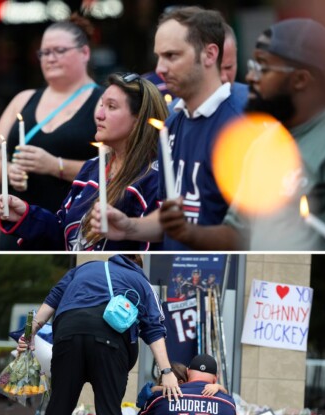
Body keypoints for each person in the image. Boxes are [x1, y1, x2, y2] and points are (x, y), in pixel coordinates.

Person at [157, 18, 325, 250]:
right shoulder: (265, 142)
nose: (250, 77)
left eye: (263, 68)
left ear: (300, 80)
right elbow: (236, 233)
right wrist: (187, 232)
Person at [18, 255, 182, 415]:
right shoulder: (139, 280)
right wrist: (167, 371)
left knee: (59, 406)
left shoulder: (81, 270)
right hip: (110, 342)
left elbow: (50, 303)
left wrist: (28, 334)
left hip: (68, 335)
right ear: (138, 265)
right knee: (109, 411)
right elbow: (154, 327)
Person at [89, 7, 245, 250]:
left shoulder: (243, 127)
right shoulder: (171, 125)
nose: (160, 68)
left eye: (172, 56)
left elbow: (248, 236)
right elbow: (167, 218)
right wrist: (130, 226)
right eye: (159, 56)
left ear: (210, 54)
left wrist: (188, 234)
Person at [0, 72, 167, 250]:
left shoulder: (154, 180)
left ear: (138, 120)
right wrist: (27, 216)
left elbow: (150, 252)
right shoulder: (91, 167)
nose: (99, 115)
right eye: (101, 105)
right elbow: (63, 235)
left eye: (111, 107)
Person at [0, 14, 104, 250]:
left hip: (74, 229)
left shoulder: (103, 101)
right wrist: (9, 171)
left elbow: (115, 168)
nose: (50, 58)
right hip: (19, 226)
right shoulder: (24, 99)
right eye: (44, 53)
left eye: (59, 50)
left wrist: (55, 165)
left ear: (85, 53)